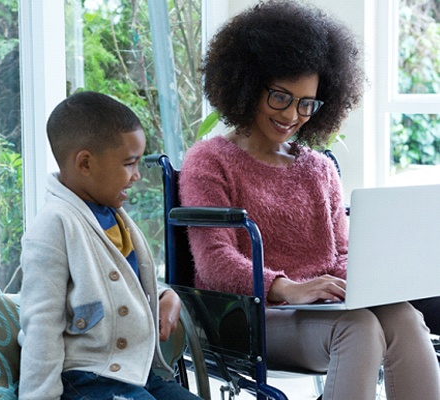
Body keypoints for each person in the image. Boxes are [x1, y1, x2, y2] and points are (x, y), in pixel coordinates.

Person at [179, 1, 440, 399]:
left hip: (320, 312)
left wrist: (365, 283)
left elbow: (341, 254)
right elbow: (215, 264)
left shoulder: (319, 168)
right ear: (248, 84)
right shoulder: (209, 160)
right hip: (251, 315)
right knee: (359, 328)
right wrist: (287, 287)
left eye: (307, 103)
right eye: (281, 97)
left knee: (404, 316)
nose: (294, 115)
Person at [18, 91, 201, 400]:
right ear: (86, 163)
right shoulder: (54, 225)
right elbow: (41, 324)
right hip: (88, 378)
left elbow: (118, 281)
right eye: (129, 164)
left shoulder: (114, 215)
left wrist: (164, 295)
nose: (136, 175)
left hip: (136, 373)